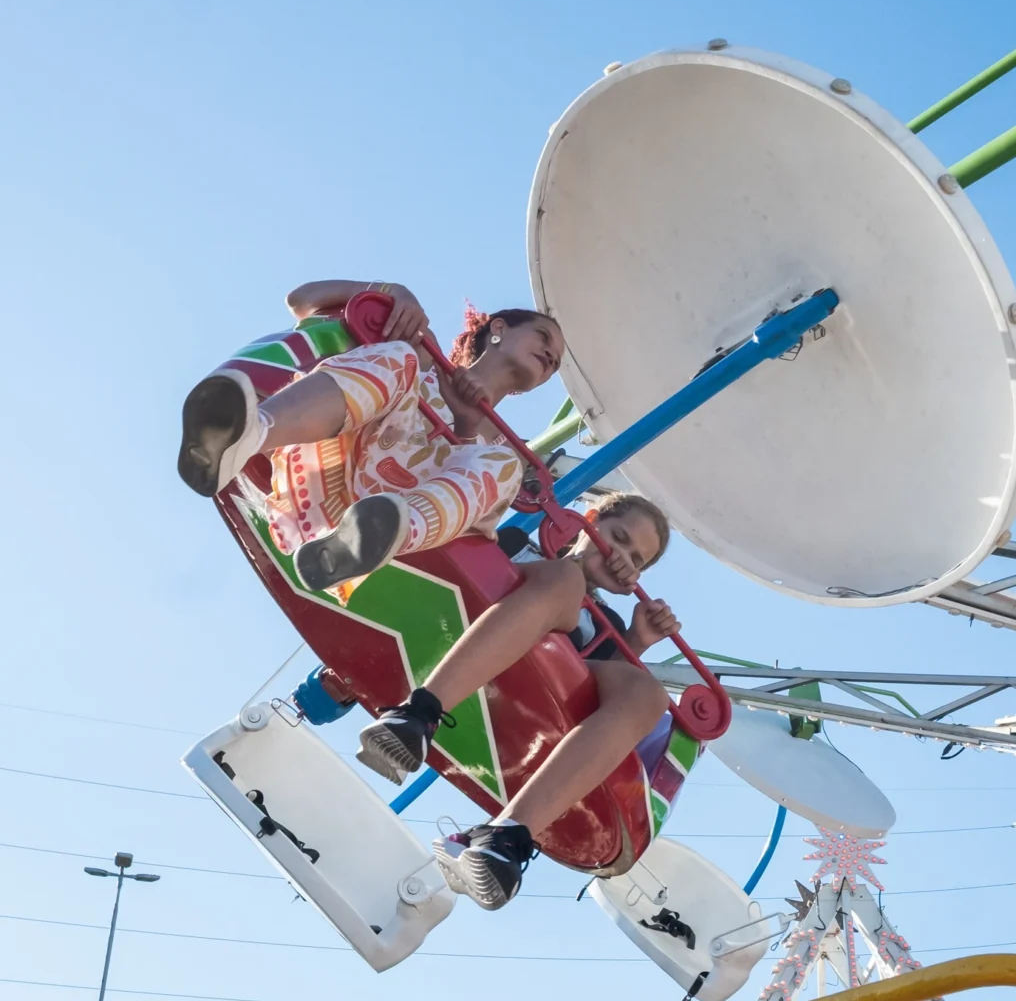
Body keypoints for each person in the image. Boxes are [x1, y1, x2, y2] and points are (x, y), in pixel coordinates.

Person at [359, 491, 681, 910]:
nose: (620, 555)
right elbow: (477, 566)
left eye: (635, 560)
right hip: (481, 620)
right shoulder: (518, 540)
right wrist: (575, 570)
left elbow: (583, 694)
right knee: (566, 580)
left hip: (535, 688)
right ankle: (418, 714)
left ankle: (509, 837)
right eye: (617, 538)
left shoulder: (608, 625)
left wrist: (636, 640)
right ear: (589, 520)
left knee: (647, 693)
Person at [177, 280, 564, 587]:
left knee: (506, 462)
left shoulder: (502, 449)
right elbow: (302, 299)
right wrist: (390, 291)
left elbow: (474, 525)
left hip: (400, 535)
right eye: (543, 337)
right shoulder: (425, 359)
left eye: (555, 361)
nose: (550, 356)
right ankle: (248, 435)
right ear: (498, 328)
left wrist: (464, 428)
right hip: (326, 476)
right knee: (401, 357)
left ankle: (373, 537)